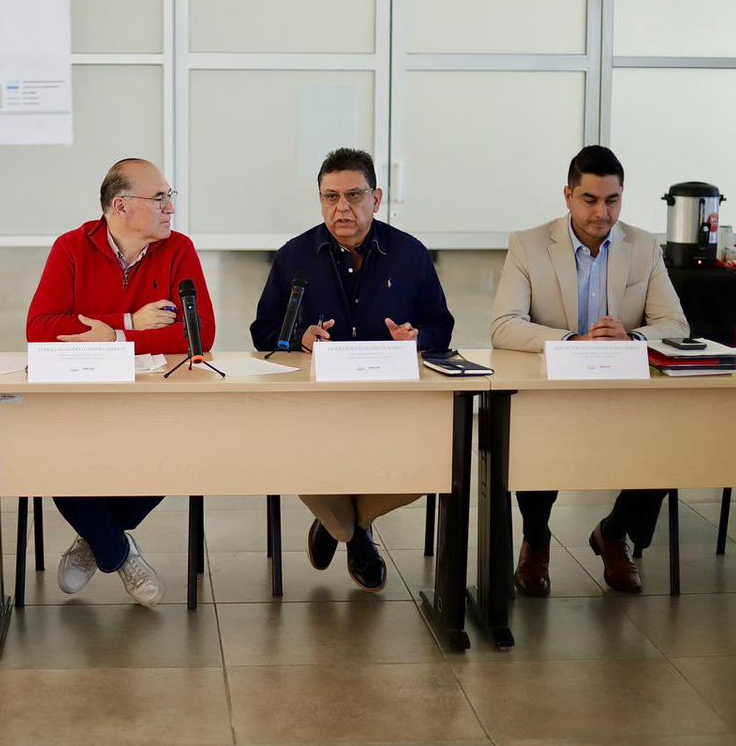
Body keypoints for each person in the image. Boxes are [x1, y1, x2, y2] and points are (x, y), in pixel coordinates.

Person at [251, 148, 455, 592]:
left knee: (433, 463)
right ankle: (356, 534)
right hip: (315, 408)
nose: (341, 207)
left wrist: (417, 339)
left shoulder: (410, 253)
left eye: (353, 195)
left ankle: (338, 523)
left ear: (376, 199)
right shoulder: (294, 257)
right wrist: (299, 337)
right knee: (291, 453)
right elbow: (263, 330)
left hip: (391, 405)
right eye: (330, 197)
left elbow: (442, 324)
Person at [490, 144, 689, 595]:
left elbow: (675, 324)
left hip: (625, 389)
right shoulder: (529, 244)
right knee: (531, 434)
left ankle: (613, 532)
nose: (603, 213)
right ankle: (536, 540)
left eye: (612, 200)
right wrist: (571, 342)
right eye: (590, 200)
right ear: (567, 195)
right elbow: (503, 326)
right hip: (553, 389)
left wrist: (633, 339)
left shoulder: (643, 246)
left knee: (671, 436)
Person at [26, 157, 216, 606]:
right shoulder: (71, 248)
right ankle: (117, 551)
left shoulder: (179, 249)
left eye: (171, 196)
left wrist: (111, 336)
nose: (170, 207)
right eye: (160, 198)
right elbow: (41, 328)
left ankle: (96, 541)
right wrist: (130, 324)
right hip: (81, 399)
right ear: (121, 206)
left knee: (170, 453)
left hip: (152, 400)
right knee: (55, 454)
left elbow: (200, 334)